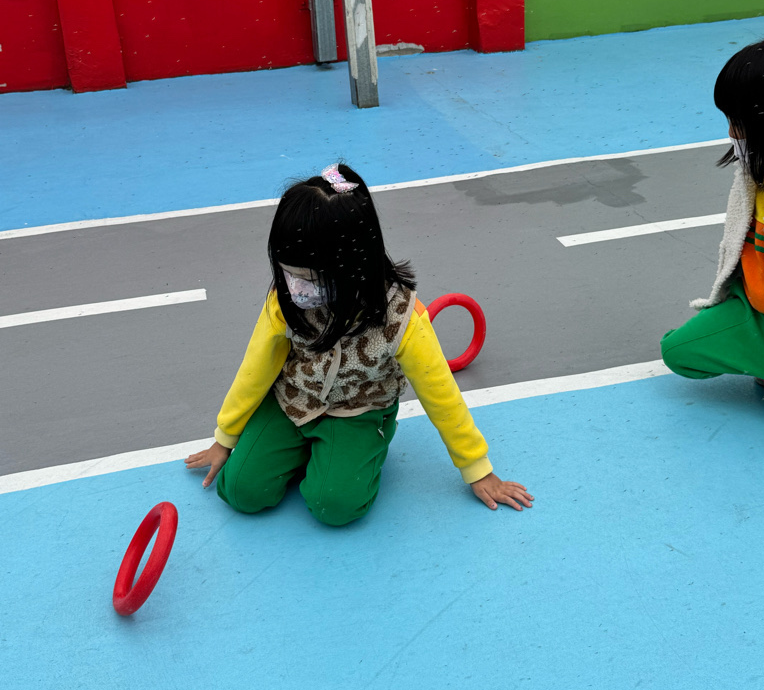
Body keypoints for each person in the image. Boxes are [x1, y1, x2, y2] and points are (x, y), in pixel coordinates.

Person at [185, 163, 533, 526]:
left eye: (309, 279)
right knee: (240, 491)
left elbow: (440, 393)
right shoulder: (285, 301)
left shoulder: (400, 318)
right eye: (289, 274)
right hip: (292, 402)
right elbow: (255, 368)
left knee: (334, 506)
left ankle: (366, 444)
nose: (296, 289)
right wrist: (225, 437)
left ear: (355, 266)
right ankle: (311, 453)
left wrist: (477, 468)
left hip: (357, 411)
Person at [661, 40, 764, 387]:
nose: (731, 132)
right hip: (752, 304)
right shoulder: (755, 173)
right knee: (678, 349)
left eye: (739, 121)